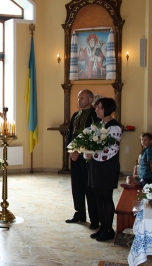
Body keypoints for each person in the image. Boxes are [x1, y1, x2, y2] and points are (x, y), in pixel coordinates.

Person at [86, 97, 122, 242]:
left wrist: (92, 153)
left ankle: (109, 230)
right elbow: (94, 144)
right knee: (98, 197)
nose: (96, 109)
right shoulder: (99, 125)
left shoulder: (114, 127)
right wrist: (87, 151)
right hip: (96, 165)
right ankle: (102, 226)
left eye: (99, 107)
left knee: (106, 198)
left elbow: (111, 149)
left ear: (106, 109)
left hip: (107, 167)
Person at [65, 89, 100, 229]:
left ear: (91, 99)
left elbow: (95, 136)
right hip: (74, 156)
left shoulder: (95, 115)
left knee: (89, 186)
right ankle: (79, 213)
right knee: (77, 185)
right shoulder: (76, 114)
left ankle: (94, 218)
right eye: (78, 98)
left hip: (88, 157)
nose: (79, 100)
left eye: (82, 98)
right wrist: (71, 150)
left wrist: (80, 151)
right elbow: (69, 134)